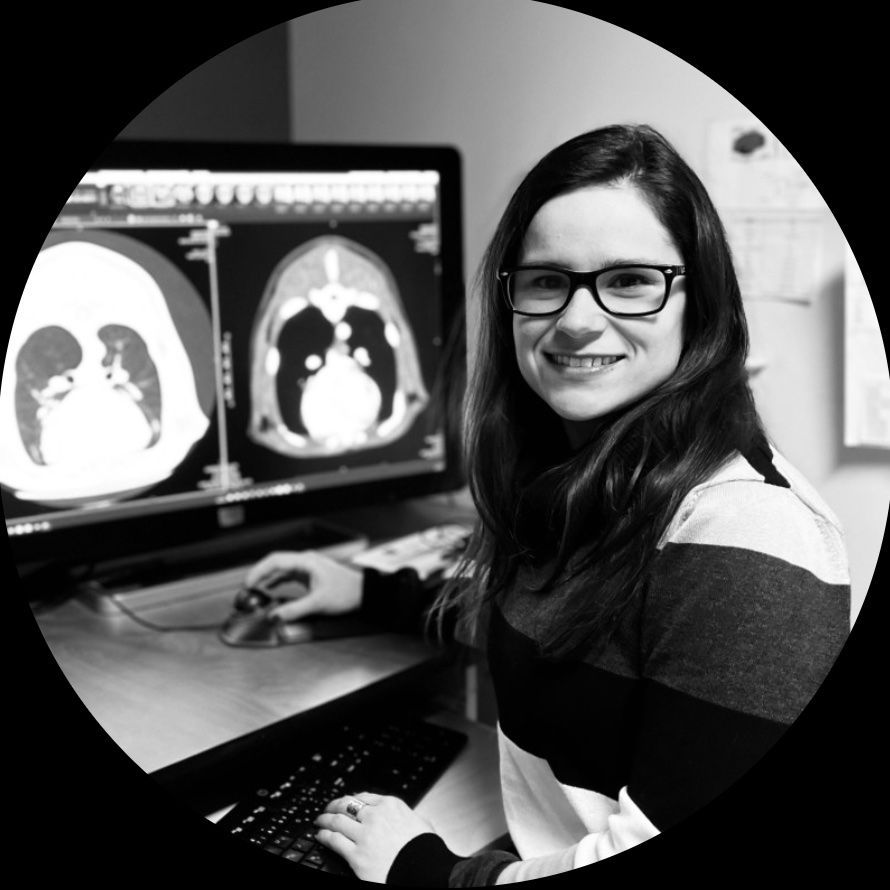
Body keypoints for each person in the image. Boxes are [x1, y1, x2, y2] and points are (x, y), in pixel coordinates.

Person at [243, 124, 851, 885]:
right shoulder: (587, 478)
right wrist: (366, 591)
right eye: (545, 281)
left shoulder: (749, 532)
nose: (577, 319)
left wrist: (427, 870)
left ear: (699, 301)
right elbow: (565, 635)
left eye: (629, 280)